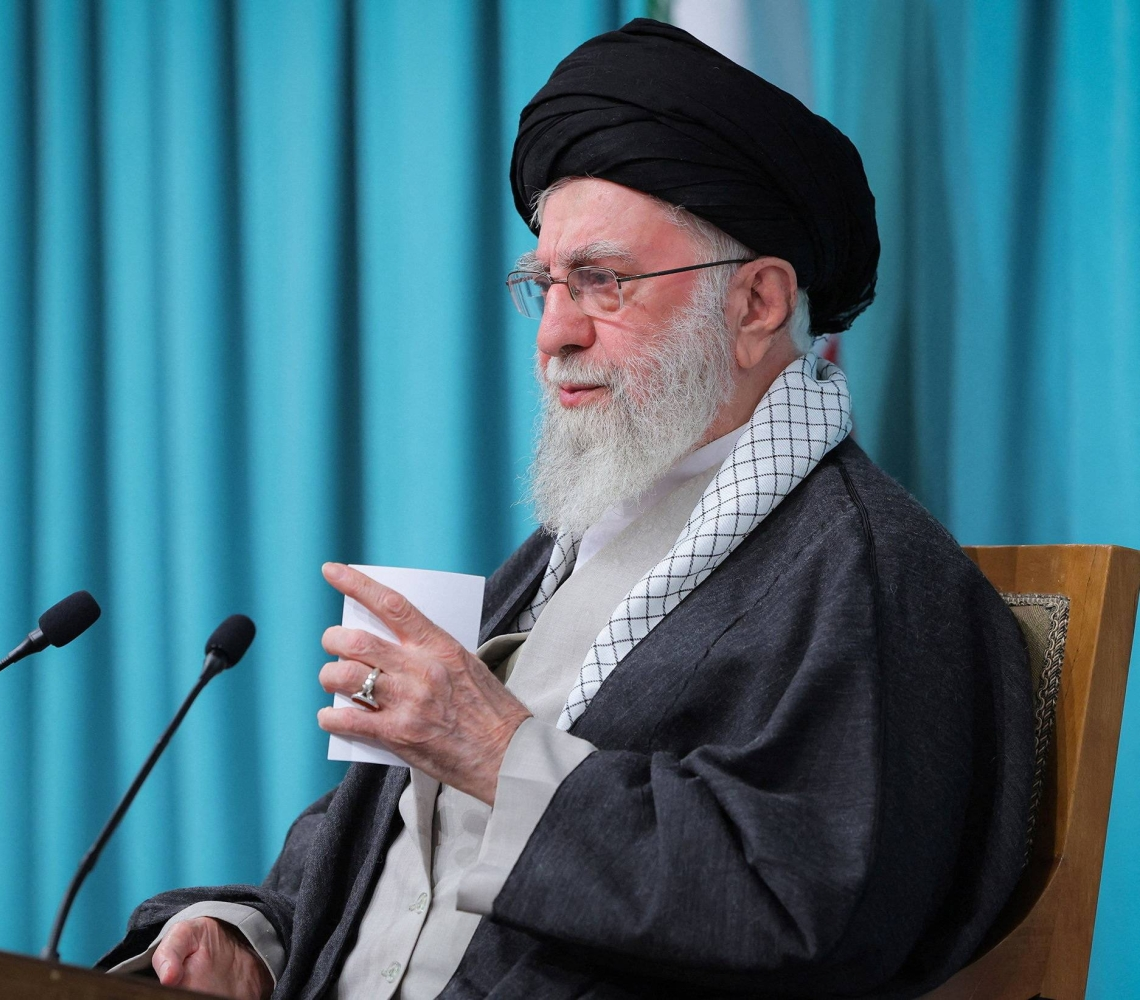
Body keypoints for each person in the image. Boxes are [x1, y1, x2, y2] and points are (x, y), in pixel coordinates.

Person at [100, 19, 1032, 1000]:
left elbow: (813, 909)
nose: (553, 333)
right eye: (544, 284)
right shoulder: (570, 546)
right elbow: (395, 843)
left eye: (602, 281)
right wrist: (257, 941)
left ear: (757, 303)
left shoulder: (872, 575)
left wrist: (496, 751)